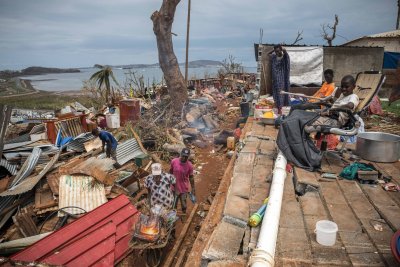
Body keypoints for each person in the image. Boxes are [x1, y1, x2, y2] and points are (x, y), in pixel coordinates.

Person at [170, 148, 195, 214]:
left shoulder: (189, 165)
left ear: (188, 156)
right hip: (174, 187)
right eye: (183, 156)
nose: (184, 158)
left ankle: (183, 213)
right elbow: (170, 172)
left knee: (184, 204)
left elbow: (191, 177)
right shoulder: (174, 161)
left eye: (186, 156)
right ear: (180, 154)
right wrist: (170, 183)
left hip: (184, 188)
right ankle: (172, 218)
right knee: (173, 204)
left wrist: (193, 188)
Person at [271, 44, 290, 113]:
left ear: (281, 50)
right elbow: (268, 54)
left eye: (278, 51)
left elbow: (286, 54)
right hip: (275, 80)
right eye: (276, 51)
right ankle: (278, 110)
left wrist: (283, 50)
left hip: (282, 80)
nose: (277, 52)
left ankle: (282, 111)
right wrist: (273, 49)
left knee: (281, 95)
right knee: (275, 96)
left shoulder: (284, 57)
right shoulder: (273, 57)